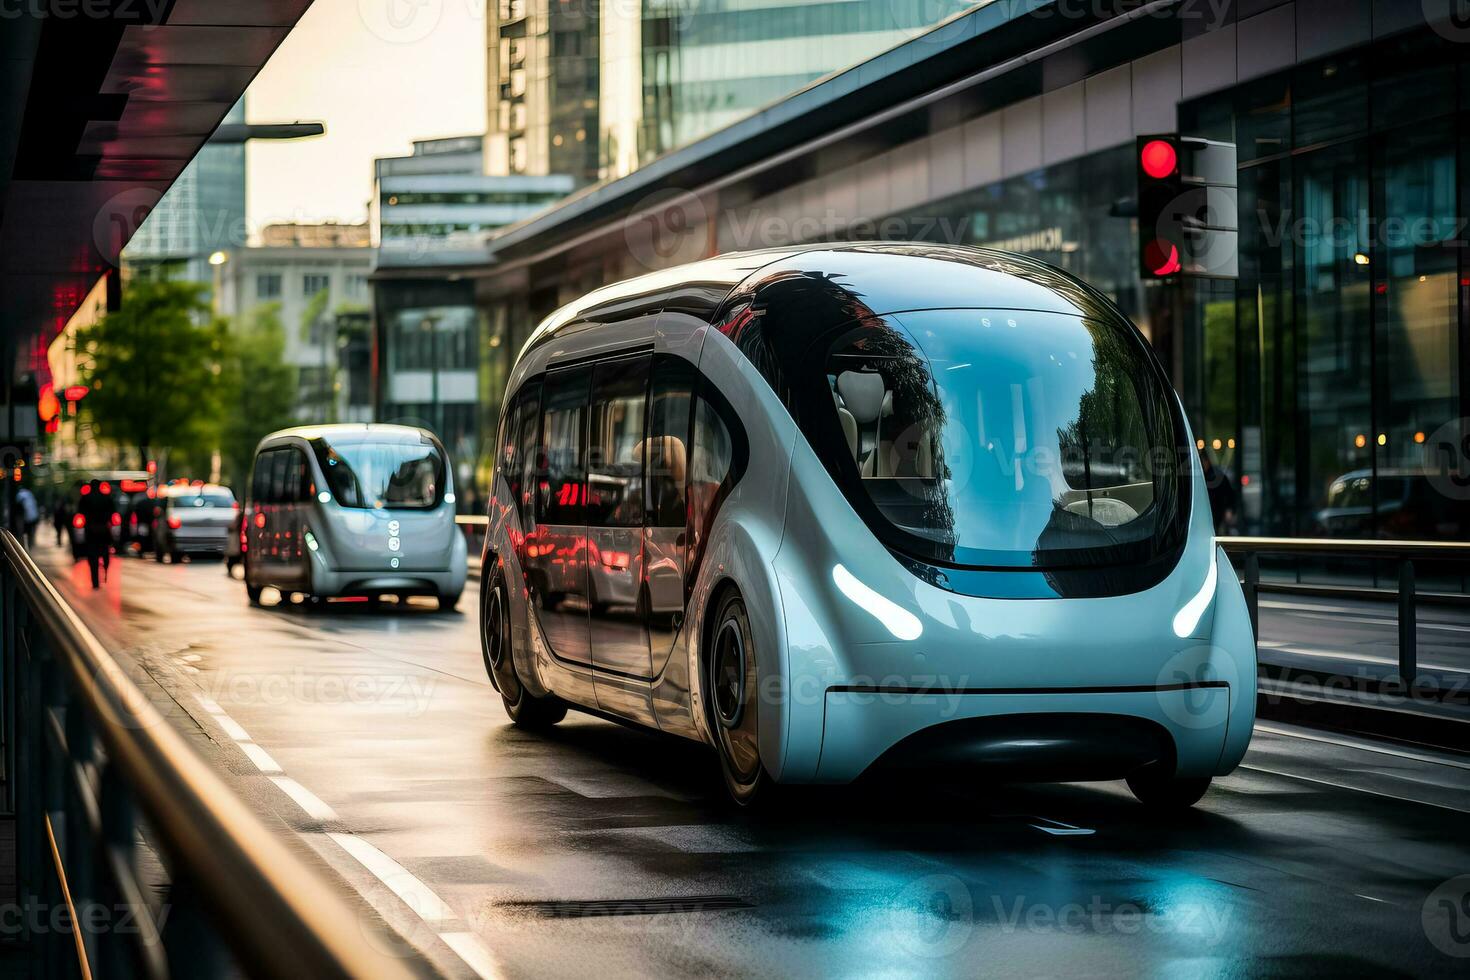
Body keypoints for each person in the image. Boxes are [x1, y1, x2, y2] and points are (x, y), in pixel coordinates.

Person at [76, 479, 115, 589]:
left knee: (92, 556)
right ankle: (105, 570)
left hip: (90, 531)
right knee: (105, 551)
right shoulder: (107, 498)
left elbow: (80, 514)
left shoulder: (85, 498)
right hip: (104, 530)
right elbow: (112, 514)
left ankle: (95, 582)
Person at [1200, 452, 1239, 535]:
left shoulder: (1215, 476)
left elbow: (1229, 494)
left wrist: (1229, 509)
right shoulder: (1212, 476)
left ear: (1206, 462)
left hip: (1217, 512)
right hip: (1215, 512)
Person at [14, 484, 39, 549]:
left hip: (25, 518)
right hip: (31, 518)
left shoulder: (20, 495)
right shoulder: (29, 494)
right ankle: (29, 545)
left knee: (22, 533)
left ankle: (24, 547)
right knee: (29, 533)